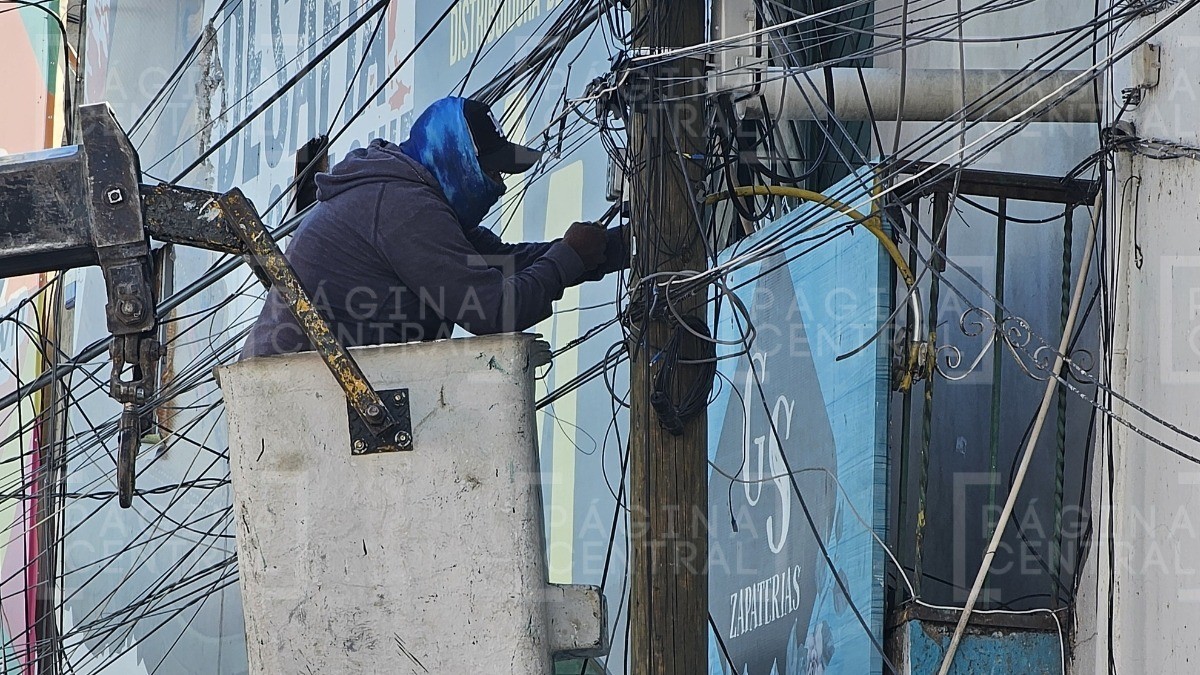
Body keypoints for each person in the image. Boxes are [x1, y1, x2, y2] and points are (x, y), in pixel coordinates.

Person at [241, 96, 626, 358]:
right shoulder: (404, 208)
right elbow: (493, 310)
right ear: (453, 158)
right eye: (490, 171)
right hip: (293, 399)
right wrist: (569, 256)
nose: (499, 184)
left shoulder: (410, 192)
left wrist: (611, 248)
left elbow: (502, 263)